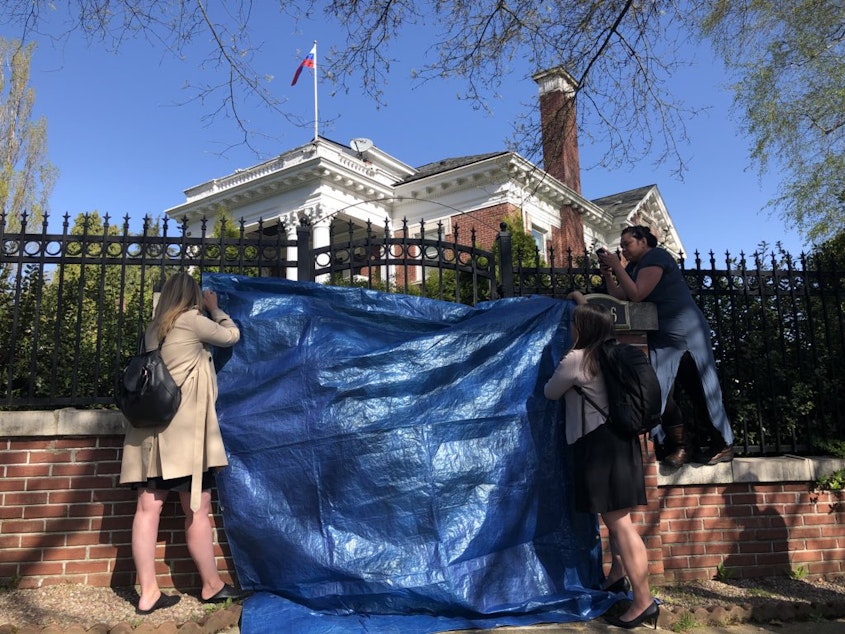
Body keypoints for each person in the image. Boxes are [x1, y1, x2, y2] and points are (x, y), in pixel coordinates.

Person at [119, 272, 244, 615]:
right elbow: (231, 336)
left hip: (147, 435)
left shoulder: (152, 327)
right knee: (197, 509)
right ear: (191, 296)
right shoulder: (193, 321)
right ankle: (211, 584)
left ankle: (148, 592)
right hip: (184, 436)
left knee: (147, 509)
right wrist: (215, 309)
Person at [544, 303, 658, 629]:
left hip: (598, 446)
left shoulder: (577, 359)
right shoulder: (610, 355)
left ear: (584, 329)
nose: (571, 328)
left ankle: (643, 601)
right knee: (619, 520)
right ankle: (618, 576)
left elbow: (550, 392)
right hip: (621, 443)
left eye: (575, 324)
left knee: (621, 524)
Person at [597, 226, 734, 467]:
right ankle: (678, 446)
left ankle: (721, 443)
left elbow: (638, 294)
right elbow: (621, 296)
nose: (623, 250)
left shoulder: (657, 256)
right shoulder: (633, 267)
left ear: (643, 241)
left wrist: (617, 266)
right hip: (662, 335)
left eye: (627, 244)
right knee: (657, 390)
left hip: (687, 330)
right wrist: (610, 274)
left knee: (700, 386)